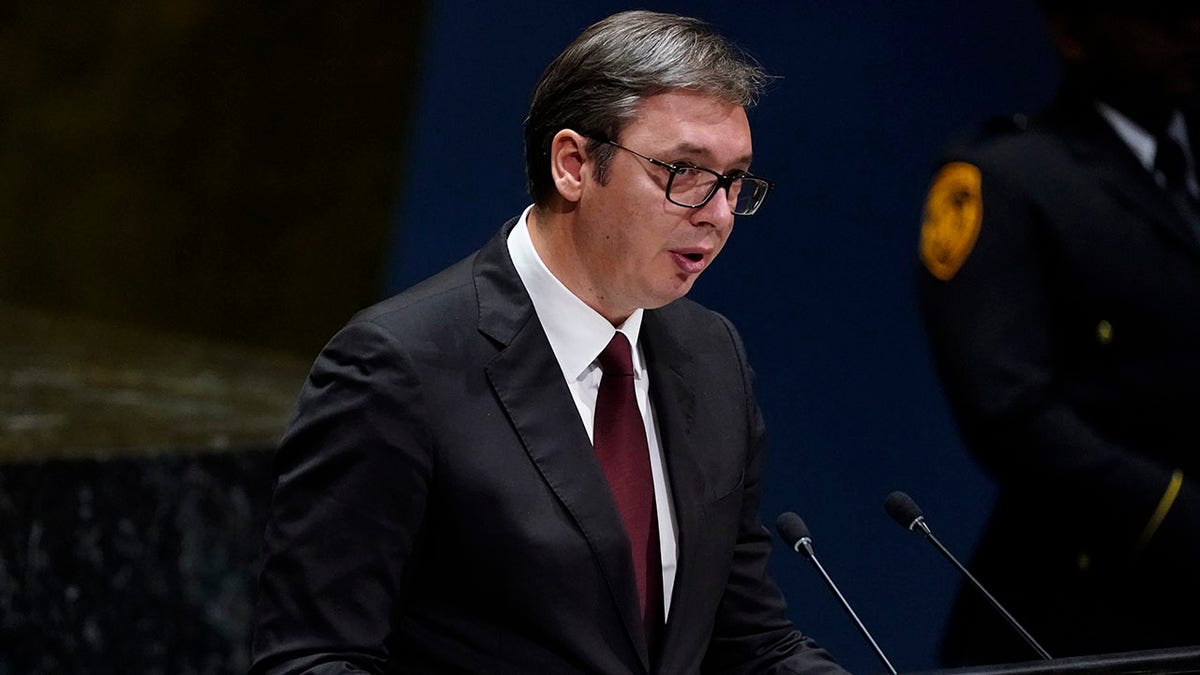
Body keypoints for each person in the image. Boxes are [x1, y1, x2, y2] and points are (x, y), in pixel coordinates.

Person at [250, 10, 847, 674]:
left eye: (734, 180)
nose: (718, 211)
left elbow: (750, 643)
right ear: (573, 164)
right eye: (683, 170)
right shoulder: (398, 367)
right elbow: (315, 659)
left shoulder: (713, 357)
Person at [917, 0, 1200, 667]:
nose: (1191, 29)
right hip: (1091, 610)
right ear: (1073, 30)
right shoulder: (1009, 177)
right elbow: (1009, 409)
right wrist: (1180, 515)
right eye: (1162, 15)